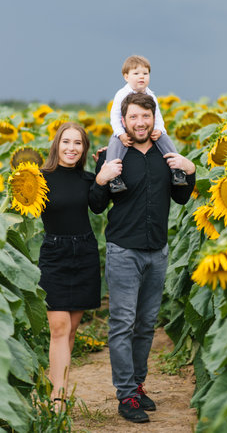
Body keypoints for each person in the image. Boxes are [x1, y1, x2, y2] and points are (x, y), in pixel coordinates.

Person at [90, 93, 196, 423]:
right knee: (123, 324)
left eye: (145, 117)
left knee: (147, 324)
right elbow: (96, 204)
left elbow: (180, 197)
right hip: (124, 250)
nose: (140, 123)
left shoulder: (167, 156)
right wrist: (100, 178)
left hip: (157, 252)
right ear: (124, 121)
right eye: (133, 117)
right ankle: (125, 394)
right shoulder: (112, 156)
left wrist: (190, 170)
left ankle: (137, 385)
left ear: (153, 119)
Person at [38, 122, 115, 412]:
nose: (71, 148)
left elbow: (98, 207)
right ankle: (57, 397)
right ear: (57, 145)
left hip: (83, 253)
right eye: (66, 142)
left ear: (84, 149)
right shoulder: (40, 177)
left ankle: (61, 387)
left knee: (70, 330)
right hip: (54, 255)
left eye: (78, 143)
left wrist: (102, 176)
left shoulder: (87, 179)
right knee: (58, 328)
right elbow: (22, 202)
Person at [107, 55, 187, 193]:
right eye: (136, 73)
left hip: (147, 131)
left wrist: (159, 129)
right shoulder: (122, 94)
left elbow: (158, 116)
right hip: (124, 131)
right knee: (114, 145)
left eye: (145, 73)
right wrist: (120, 134)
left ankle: (177, 170)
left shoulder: (151, 95)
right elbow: (114, 116)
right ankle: (114, 178)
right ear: (126, 77)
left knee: (165, 140)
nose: (141, 77)